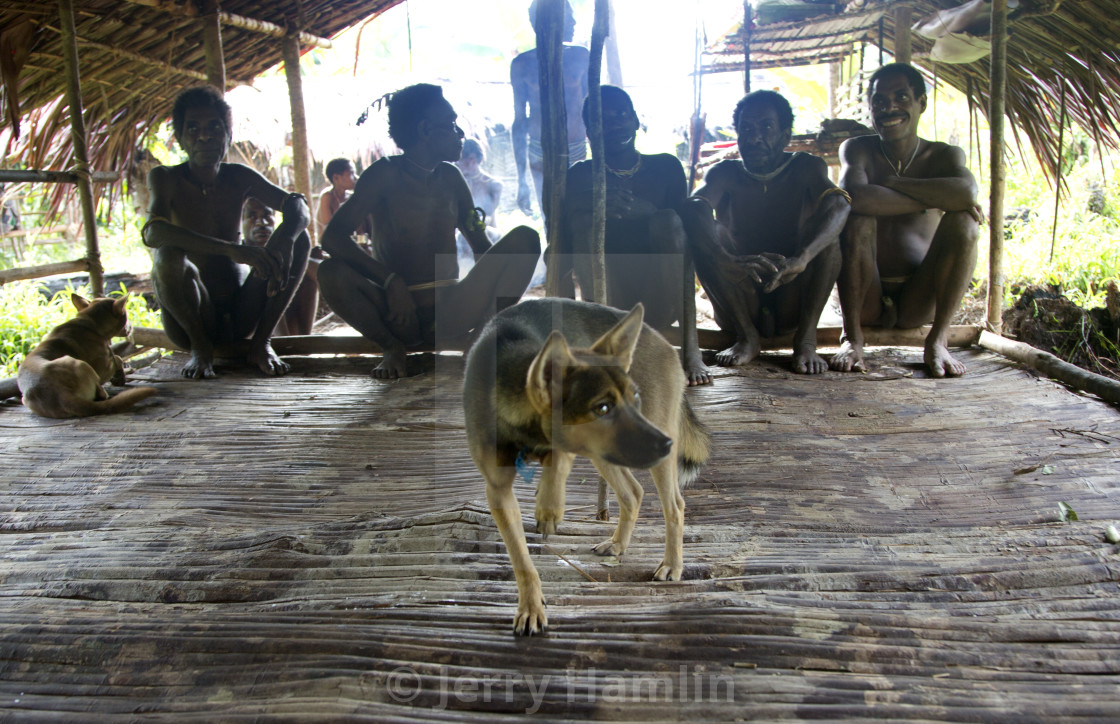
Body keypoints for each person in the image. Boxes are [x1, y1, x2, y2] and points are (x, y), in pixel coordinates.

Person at [317, 83, 541, 379]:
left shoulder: (452, 177)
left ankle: (481, 339)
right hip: (396, 315)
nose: (460, 133)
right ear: (425, 130)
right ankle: (392, 347)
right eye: (450, 125)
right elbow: (331, 238)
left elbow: (480, 247)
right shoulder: (383, 174)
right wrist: (390, 281)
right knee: (329, 272)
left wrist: (499, 288)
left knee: (525, 239)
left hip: (452, 310)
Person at [144, 86, 311, 379]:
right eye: (193, 128)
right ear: (181, 140)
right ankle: (201, 350)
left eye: (214, 127)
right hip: (190, 320)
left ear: (228, 135)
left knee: (301, 238)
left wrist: (284, 240)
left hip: (240, 313)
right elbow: (153, 233)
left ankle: (261, 343)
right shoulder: (166, 178)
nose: (205, 136)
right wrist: (232, 249)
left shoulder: (239, 177)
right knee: (166, 256)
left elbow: (298, 206)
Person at [681, 90, 850, 374]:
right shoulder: (724, 173)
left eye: (766, 128)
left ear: (785, 136)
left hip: (792, 295)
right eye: (746, 128)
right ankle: (747, 337)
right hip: (739, 298)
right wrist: (724, 260)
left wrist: (803, 258)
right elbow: (693, 207)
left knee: (828, 238)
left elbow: (839, 203)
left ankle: (806, 340)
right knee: (710, 233)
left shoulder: (806, 167)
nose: (754, 137)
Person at [829, 62, 981, 377]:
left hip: (920, 297)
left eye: (901, 97)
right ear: (869, 107)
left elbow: (966, 193)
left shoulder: (943, 156)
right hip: (865, 293)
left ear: (921, 104)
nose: (889, 108)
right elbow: (855, 196)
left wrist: (892, 184)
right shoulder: (857, 149)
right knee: (858, 219)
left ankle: (937, 339)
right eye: (880, 101)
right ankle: (852, 337)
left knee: (965, 221)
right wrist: (935, 196)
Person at [561, 85, 710, 386]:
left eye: (621, 115)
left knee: (667, 220)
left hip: (658, 297)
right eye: (602, 120)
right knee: (583, 222)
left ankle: (691, 348)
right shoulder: (579, 176)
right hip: (607, 299)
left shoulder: (665, 167)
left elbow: (683, 239)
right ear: (589, 131)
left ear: (636, 121)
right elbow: (562, 246)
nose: (614, 124)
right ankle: (599, 339)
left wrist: (643, 211)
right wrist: (595, 205)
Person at [510, 0, 589, 216]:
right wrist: (521, 180)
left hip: (577, 147)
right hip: (539, 150)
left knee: (579, 214)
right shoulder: (522, 65)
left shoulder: (581, 56)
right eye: (568, 15)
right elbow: (519, 121)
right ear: (552, 21)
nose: (573, 21)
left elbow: (594, 111)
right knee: (550, 217)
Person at [242, 197, 319, 335]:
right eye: (252, 216)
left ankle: (299, 344)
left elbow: (321, 273)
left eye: (267, 215)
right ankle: (283, 344)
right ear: (241, 222)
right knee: (270, 277)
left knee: (307, 279)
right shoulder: (237, 256)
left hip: (291, 328)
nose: (262, 222)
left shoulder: (288, 251)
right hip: (249, 333)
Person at [455, 139, 502, 237]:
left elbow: (486, 216)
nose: (465, 163)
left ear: (476, 159)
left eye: (470, 158)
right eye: (460, 159)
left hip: (487, 234)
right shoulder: (452, 184)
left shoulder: (494, 184)